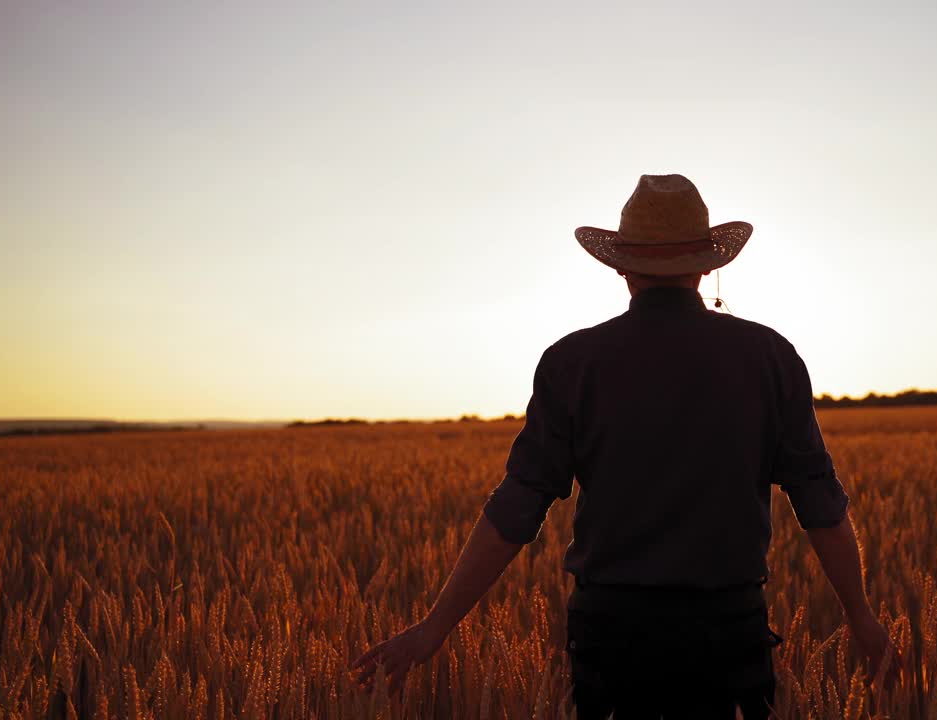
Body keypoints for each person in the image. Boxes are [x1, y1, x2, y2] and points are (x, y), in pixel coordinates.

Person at [352, 174, 902, 718]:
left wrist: (433, 629)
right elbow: (821, 503)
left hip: (611, 634)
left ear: (620, 265)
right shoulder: (769, 357)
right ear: (709, 265)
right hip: (728, 629)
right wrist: (861, 616)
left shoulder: (572, 362)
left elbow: (518, 506)